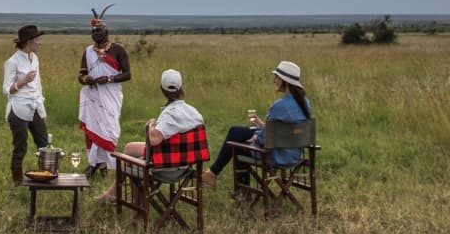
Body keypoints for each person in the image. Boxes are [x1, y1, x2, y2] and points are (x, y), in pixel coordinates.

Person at [98, 68, 204, 203]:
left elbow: (154, 140)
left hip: (166, 169)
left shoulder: (169, 114)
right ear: (181, 88)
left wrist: (151, 125)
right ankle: (112, 194)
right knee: (130, 148)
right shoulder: (194, 112)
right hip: (187, 164)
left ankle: (135, 204)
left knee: (129, 161)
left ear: (162, 89)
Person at [201, 60, 310, 188]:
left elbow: (264, 141)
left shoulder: (279, 106)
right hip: (294, 154)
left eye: (277, 77)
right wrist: (262, 127)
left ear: (284, 81)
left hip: (277, 156)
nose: (274, 80)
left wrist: (256, 137)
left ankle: (239, 192)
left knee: (237, 146)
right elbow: (289, 131)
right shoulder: (305, 102)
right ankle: (212, 174)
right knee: (236, 131)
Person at [77, 5, 131, 177]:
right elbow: (81, 75)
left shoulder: (118, 49)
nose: (96, 34)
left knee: (109, 129)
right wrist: (87, 80)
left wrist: (108, 79)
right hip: (92, 96)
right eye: (93, 31)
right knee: (93, 128)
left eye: (99, 31)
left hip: (111, 96)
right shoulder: (87, 51)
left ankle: (106, 164)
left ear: (106, 32)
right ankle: (96, 164)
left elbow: (127, 74)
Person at [3, 24, 49, 183]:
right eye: (37, 40)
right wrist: (22, 82)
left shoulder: (35, 58)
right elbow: (6, 90)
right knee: (20, 146)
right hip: (18, 110)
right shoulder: (12, 62)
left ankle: (47, 177)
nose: (39, 43)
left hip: (35, 106)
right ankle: (17, 182)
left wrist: (42, 111)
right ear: (28, 41)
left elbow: (38, 86)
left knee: (44, 144)